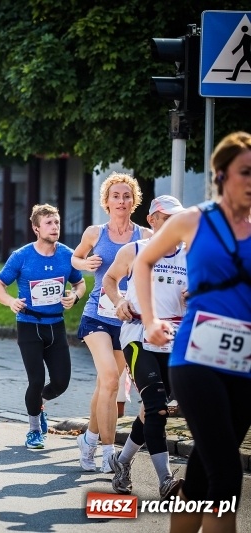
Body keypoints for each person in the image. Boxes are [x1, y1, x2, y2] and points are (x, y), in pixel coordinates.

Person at [136, 132, 251, 533]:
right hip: (196, 356)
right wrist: (150, 320)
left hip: (245, 363)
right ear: (221, 175)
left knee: (205, 469)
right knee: (227, 475)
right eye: (245, 172)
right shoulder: (192, 220)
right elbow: (143, 262)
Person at [102, 194, 187, 499]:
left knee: (150, 412)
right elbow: (109, 280)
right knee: (156, 409)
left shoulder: (190, 254)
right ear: (152, 220)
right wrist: (120, 301)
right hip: (138, 335)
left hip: (174, 341)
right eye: (167, 219)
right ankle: (166, 480)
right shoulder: (134, 250)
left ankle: (121, 462)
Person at [71, 172, 152, 473]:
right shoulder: (95, 233)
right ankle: (108, 454)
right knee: (108, 379)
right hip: (97, 315)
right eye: (116, 196)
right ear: (106, 202)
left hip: (127, 320)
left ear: (134, 201)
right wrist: (85, 263)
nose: (121, 200)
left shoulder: (144, 236)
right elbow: (75, 259)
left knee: (105, 387)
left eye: (127, 196)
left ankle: (89, 439)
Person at [0, 204, 85, 449]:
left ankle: (38, 401)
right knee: (36, 379)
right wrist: (11, 301)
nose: (55, 227)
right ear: (36, 228)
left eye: (57, 222)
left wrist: (74, 296)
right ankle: (34, 430)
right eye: (49, 223)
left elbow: (80, 283)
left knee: (61, 382)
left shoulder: (67, 255)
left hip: (56, 325)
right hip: (29, 325)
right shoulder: (22, 256)